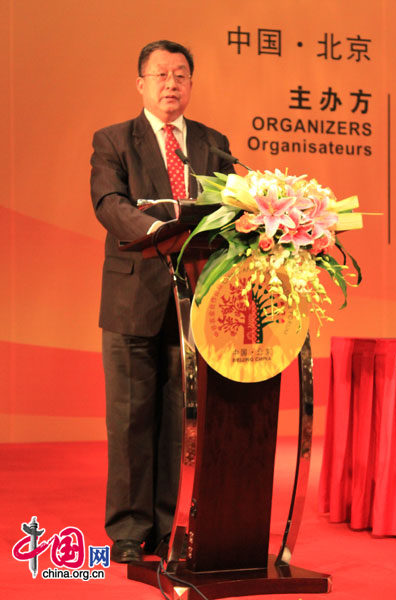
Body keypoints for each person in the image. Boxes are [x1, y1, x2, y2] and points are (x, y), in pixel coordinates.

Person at [90, 40, 234, 563]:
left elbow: (233, 209)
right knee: (130, 419)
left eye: (181, 75)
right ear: (141, 84)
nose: (171, 83)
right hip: (133, 298)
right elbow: (108, 203)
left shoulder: (214, 144)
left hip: (194, 301)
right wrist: (159, 231)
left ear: (191, 84)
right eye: (160, 74)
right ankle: (129, 529)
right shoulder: (113, 140)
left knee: (182, 418)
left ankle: (172, 524)